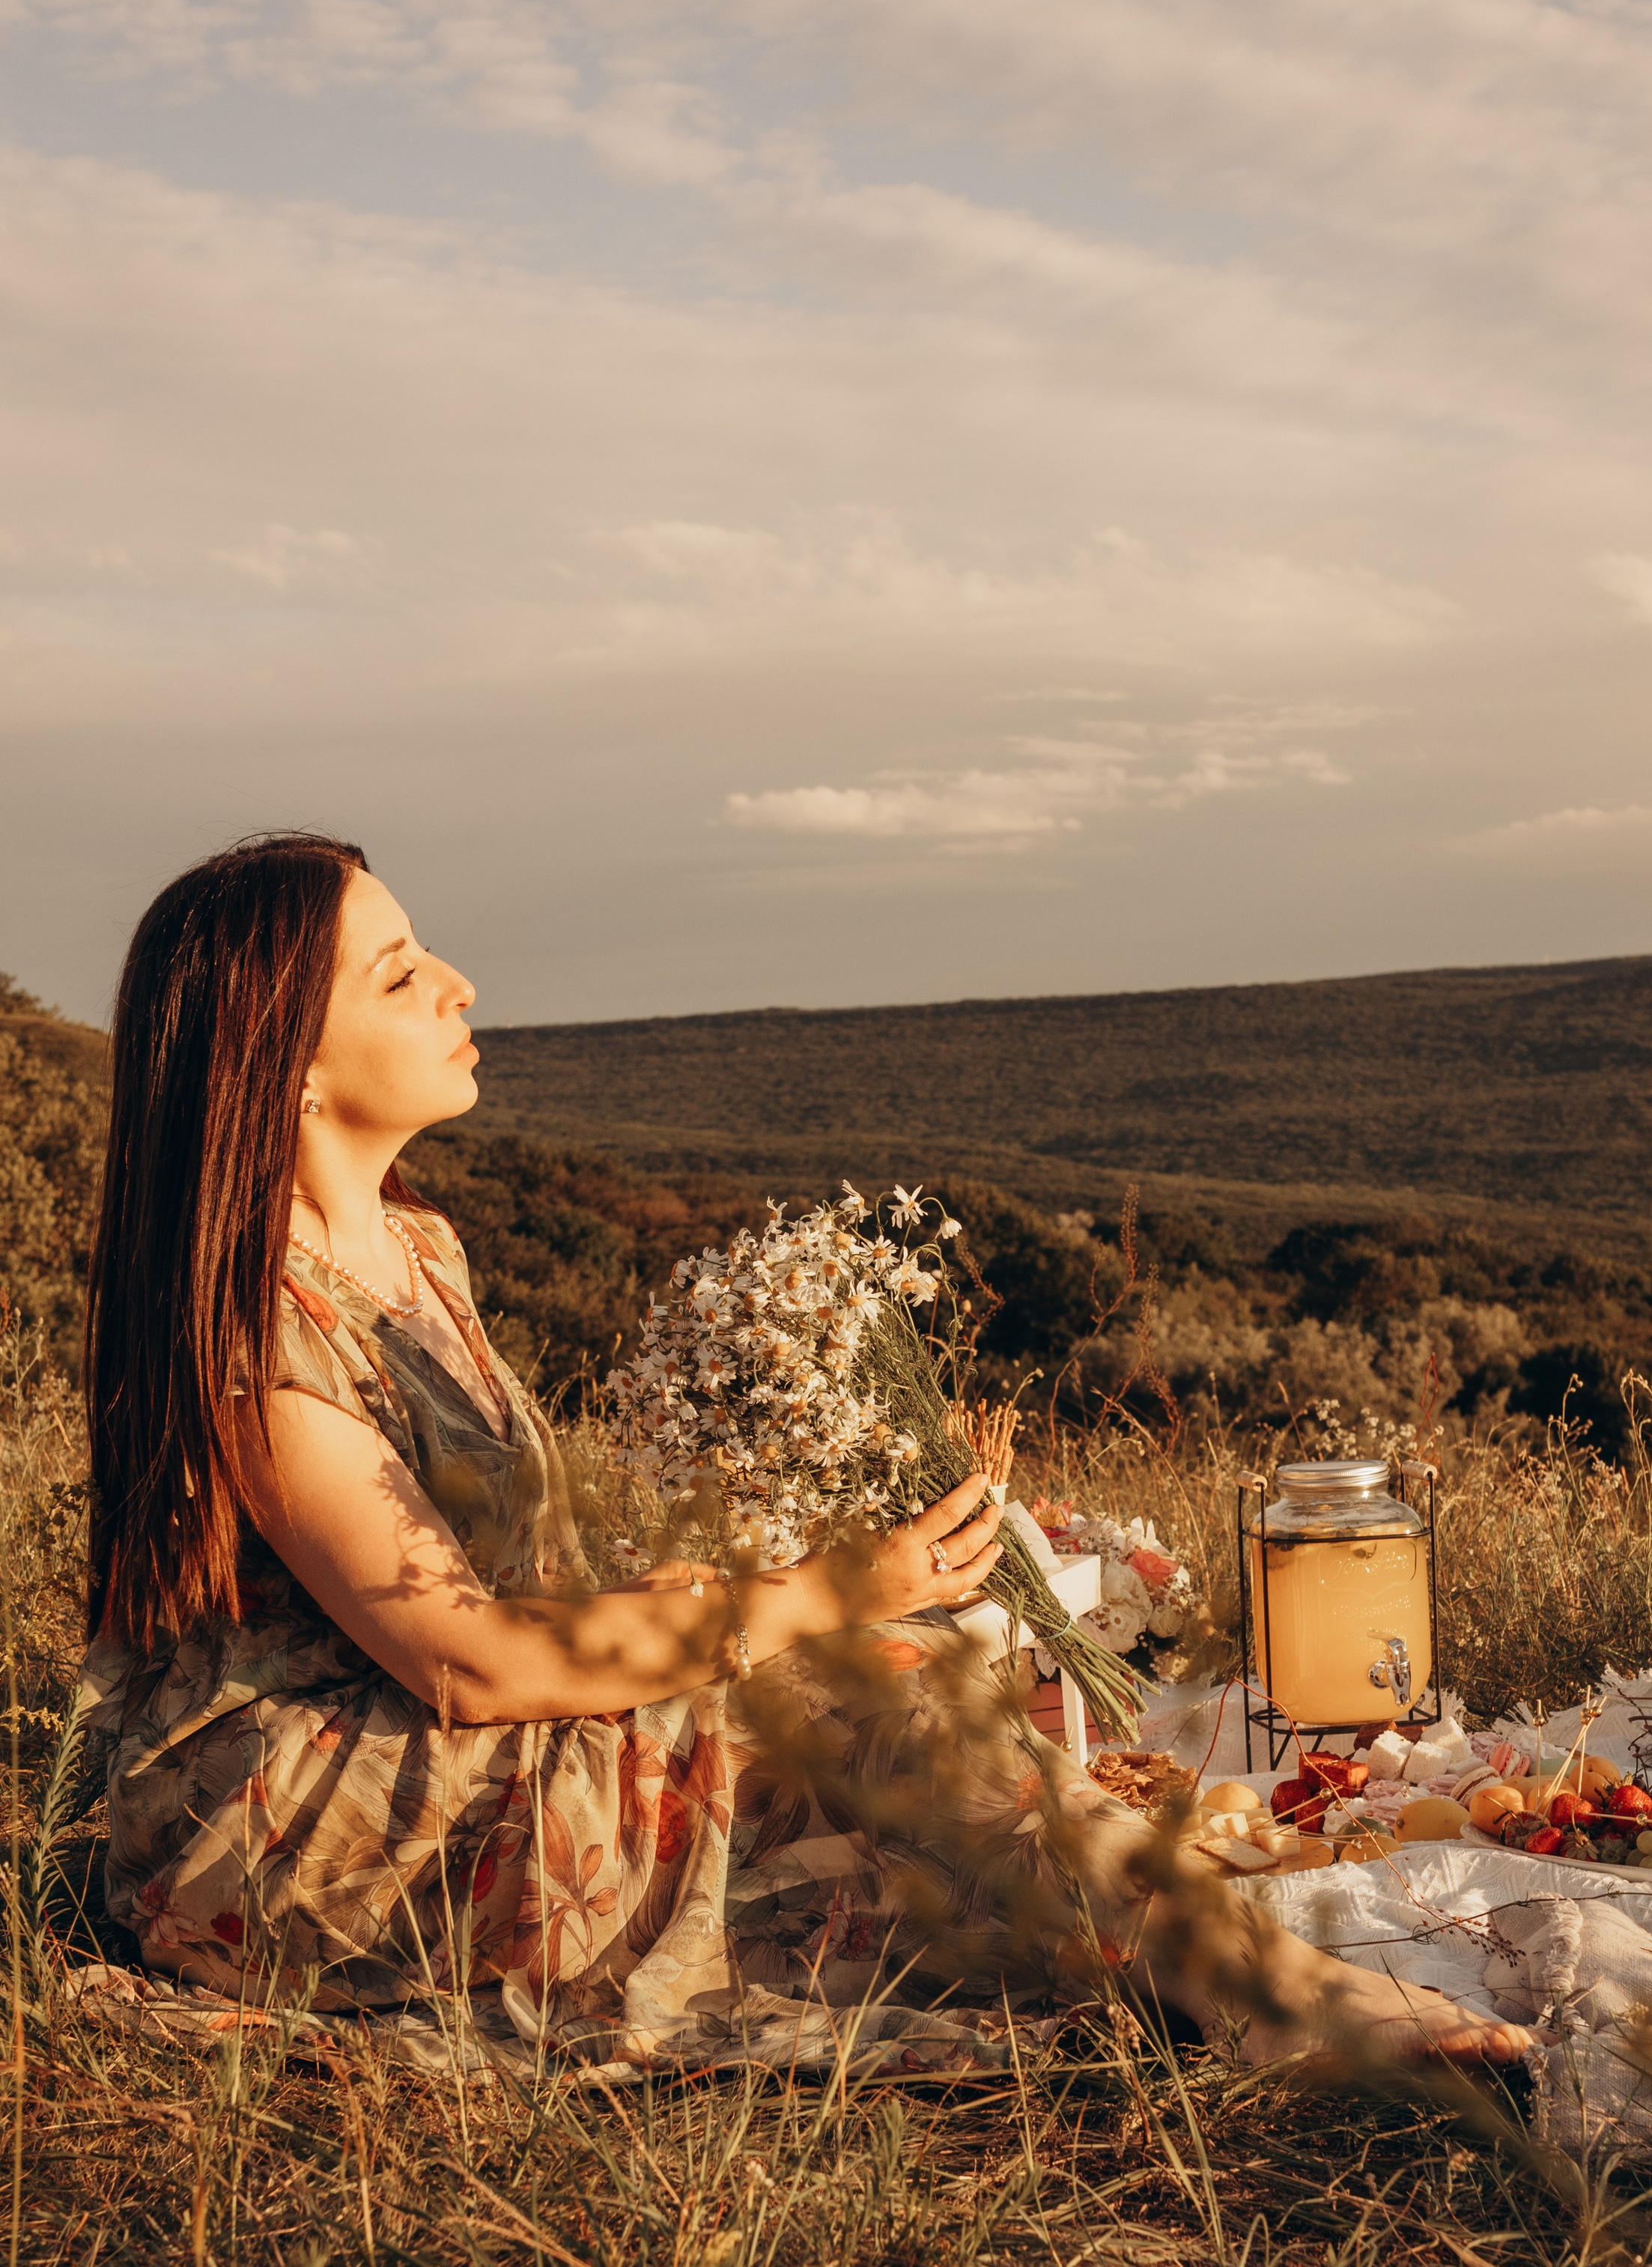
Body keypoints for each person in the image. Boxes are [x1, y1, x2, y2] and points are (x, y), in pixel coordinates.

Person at [79, 833, 1531, 2081]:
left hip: (457, 1744)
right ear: (279, 1059)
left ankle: (1200, 1958)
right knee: (852, 1678)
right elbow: (468, 1657)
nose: (458, 985)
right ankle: (1248, 1981)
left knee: (866, 1705)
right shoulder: (250, 1335)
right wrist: (814, 1592)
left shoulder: (420, 1248)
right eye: (398, 975)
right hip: (315, 1825)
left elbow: (531, 1592)